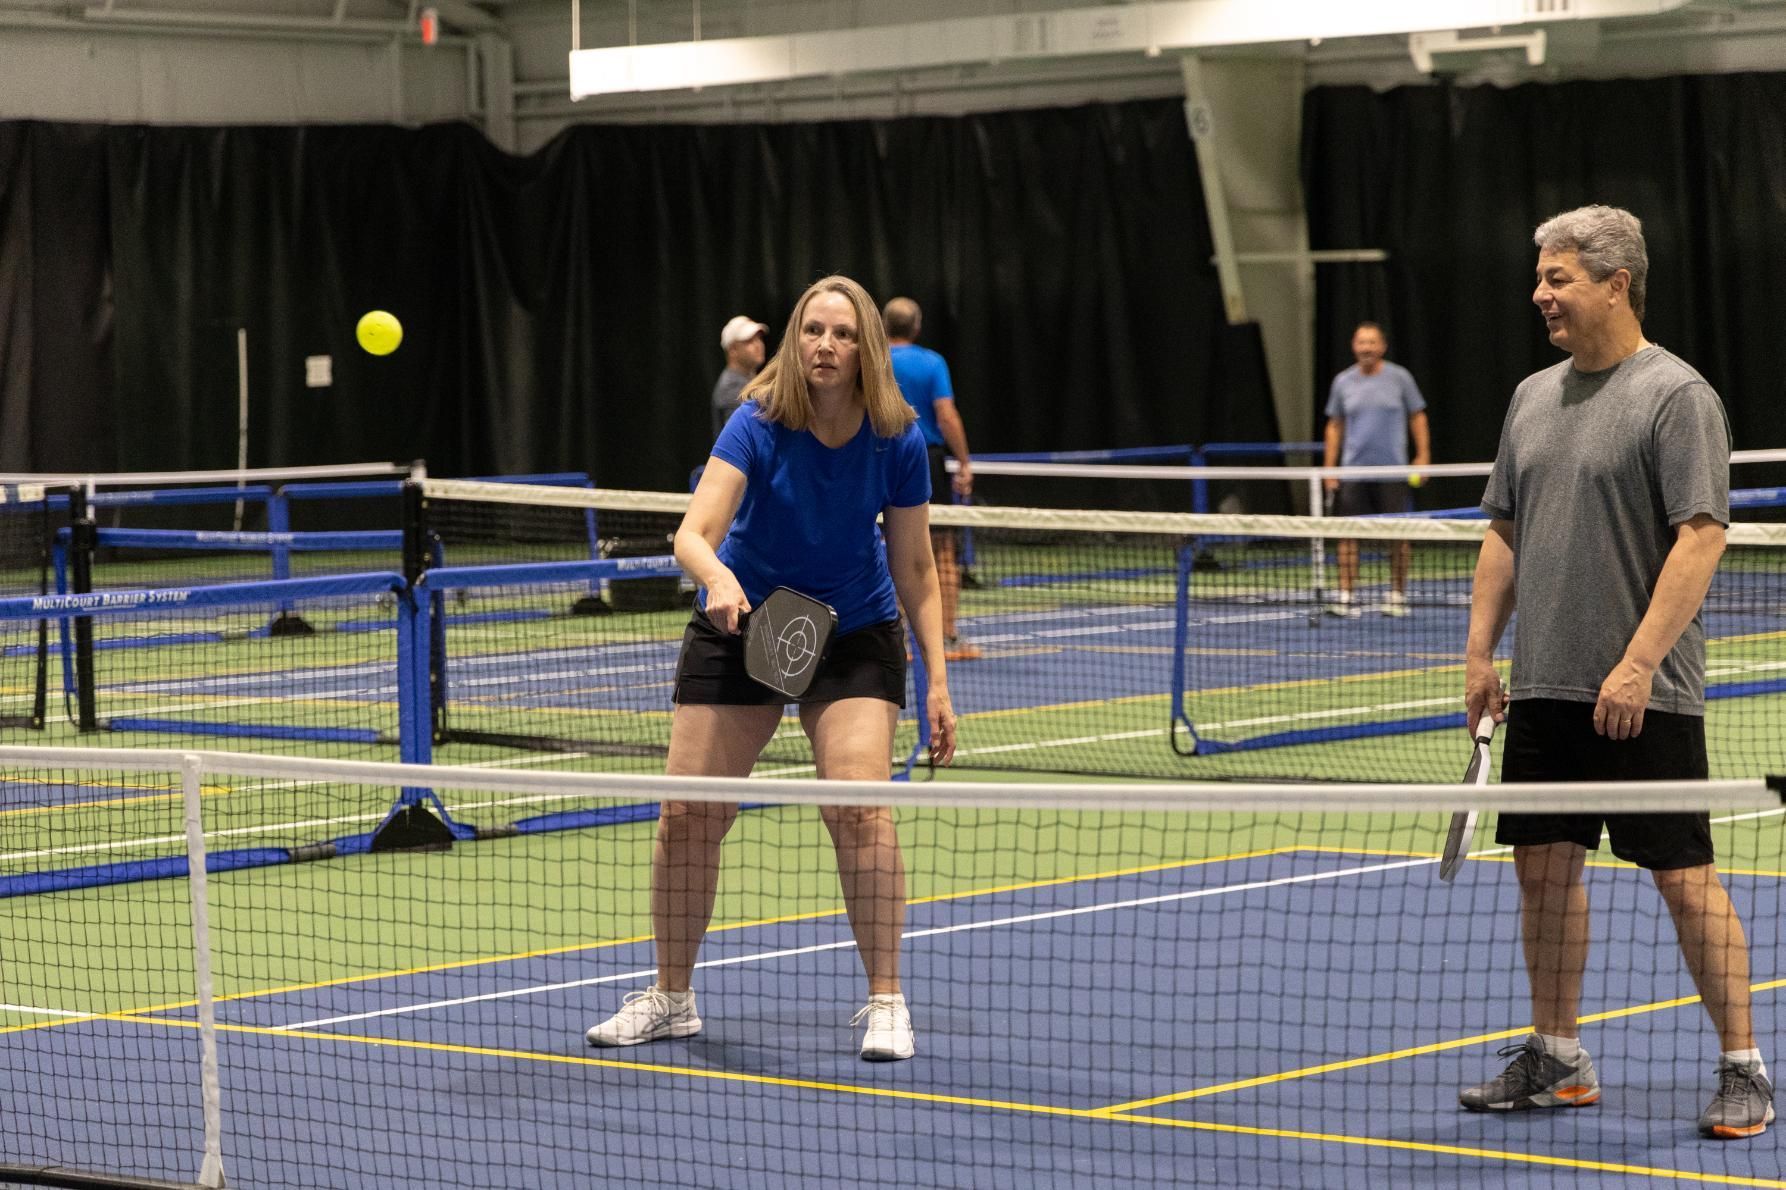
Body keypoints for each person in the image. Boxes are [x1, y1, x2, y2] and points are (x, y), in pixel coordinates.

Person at [587, 276, 958, 1063]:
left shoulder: (897, 438)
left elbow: (917, 567)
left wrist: (937, 678)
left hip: (853, 630)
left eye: (844, 334)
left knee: (859, 809)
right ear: (795, 339)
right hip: (746, 619)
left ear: (866, 350)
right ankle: (671, 997)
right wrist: (718, 578)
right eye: (814, 330)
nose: (826, 345)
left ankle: (887, 1001)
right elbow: (695, 533)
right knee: (689, 814)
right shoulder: (757, 421)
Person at [1461, 205, 1771, 1138]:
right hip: (1546, 689)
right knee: (1542, 873)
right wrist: (1481, 652)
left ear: (1614, 283)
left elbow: (1701, 538)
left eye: (1558, 279)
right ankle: (1558, 1055)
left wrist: (1636, 665)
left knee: (1683, 876)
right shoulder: (1530, 398)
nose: (1541, 295)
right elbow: (1504, 531)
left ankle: (1744, 1067)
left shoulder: (1677, 397)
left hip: (1644, 694)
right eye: (1541, 278)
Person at [884, 296, 980, 661]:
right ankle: (947, 637)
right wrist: (965, 462)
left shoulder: (874, 362)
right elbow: (946, 414)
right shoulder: (931, 362)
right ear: (917, 327)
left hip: (880, 456)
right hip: (924, 459)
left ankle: (896, 638)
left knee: (885, 548)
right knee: (941, 552)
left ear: (883, 325)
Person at [1321, 322, 1430, 618]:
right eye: (1361, 343)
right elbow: (1334, 425)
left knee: (1398, 535)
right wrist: (1329, 470)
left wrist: (1422, 456)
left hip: (1392, 473)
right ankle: (1346, 595)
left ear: (1382, 346)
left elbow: (1417, 416)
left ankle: (1396, 594)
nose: (1367, 348)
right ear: (1354, 347)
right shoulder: (1342, 382)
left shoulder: (1400, 378)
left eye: (1372, 343)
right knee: (1347, 534)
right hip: (1353, 473)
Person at [711, 315, 767, 440]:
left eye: (758, 339)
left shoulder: (751, 380)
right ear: (733, 350)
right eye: (749, 341)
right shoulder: (730, 388)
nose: (758, 345)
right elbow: (743, 438)